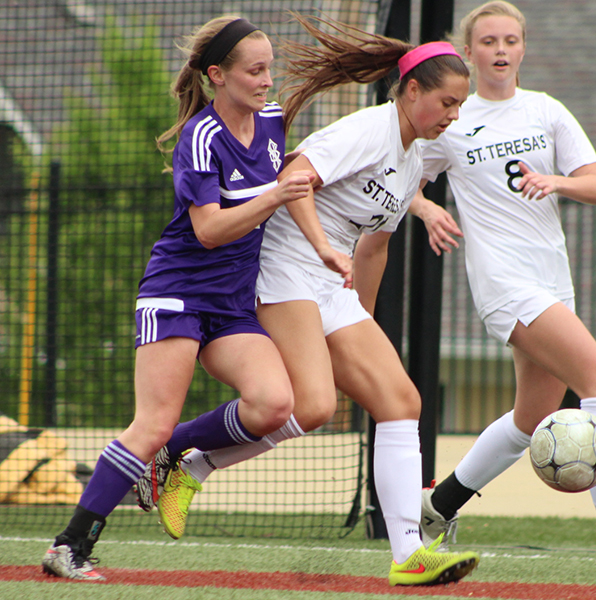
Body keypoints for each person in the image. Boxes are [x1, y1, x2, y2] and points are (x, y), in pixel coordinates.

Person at [139, 14, 480, 587]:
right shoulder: (368, 131)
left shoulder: (415, 157)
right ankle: (179, 450)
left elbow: (373, 248)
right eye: (446, 102)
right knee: (314, 405)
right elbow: (296, 174)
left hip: (331, 282)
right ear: (412, 91)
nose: (452, 115)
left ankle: (409, 555)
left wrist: (363, 325)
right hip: (284, 268)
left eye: (459, 106)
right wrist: (321, 246)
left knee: (402, 401)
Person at [40, 17, 308, 582]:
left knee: (274, 406)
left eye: (269, 69)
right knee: (150, 423)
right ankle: (70, 547)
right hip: (178, 293)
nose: (267, 80)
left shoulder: (274, 123)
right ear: (217, 75)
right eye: (255, 70)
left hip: (233, 306)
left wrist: (420, 202)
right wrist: (278, 193)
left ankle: (170, 454)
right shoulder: (201, 136)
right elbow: (209, 229)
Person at [408, 1, 596, 567]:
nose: (500, 51)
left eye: (510, 40)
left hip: (553, 279)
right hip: (504, 284)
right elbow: (396, 173)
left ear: (523, 48)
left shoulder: (545, 112)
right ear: (468, 51)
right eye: (488, 42)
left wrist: (557, 181)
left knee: (531, 419)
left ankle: (439, 506)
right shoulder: (454, 120)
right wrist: (427, 211)